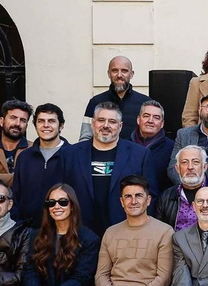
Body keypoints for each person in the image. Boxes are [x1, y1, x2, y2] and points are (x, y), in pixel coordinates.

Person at [58, 102, 154, 237]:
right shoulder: (70, 154)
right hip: (79, 232)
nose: (106, 125)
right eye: (101, 120)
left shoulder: (139, 154)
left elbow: (151, 195)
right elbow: (59, 193)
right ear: (93, 123)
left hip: (126, 232)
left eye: (112, 121)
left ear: (120, 126)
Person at [12, 103, 70, 226]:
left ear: (61, 126)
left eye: (51, 121)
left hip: (62, 229)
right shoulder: (24, 157)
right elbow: (16, 195)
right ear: (35, 125)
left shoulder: (73, 156)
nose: (46, 125)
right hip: (28, 228)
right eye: (41, 121)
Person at [81, 55, 150, 140]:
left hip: (135, 153)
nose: (119, 75)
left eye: (124, 71)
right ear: (109, 74)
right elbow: (85, 137)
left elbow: (152, 136)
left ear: (131, 74)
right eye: (114, 70)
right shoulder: (95, 102)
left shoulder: (145, 103)